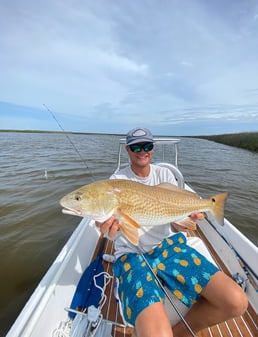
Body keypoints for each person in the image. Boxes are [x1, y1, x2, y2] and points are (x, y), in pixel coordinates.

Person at [96, 127, 248, 337]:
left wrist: (187, 217)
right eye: (136, 146)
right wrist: (106, 230)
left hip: (168, 248)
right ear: (128, 150)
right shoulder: (116, 181)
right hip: (132, 256)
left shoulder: (164, 174)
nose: (142, 151)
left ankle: (178, 333)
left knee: (237, 302)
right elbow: (110, 234)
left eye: (147, 145)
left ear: (153, 148)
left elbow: (177, 224)